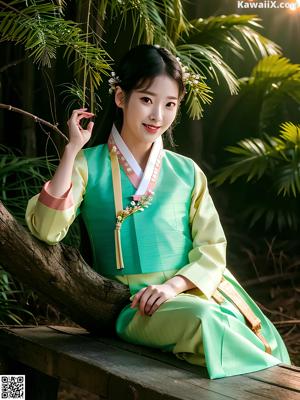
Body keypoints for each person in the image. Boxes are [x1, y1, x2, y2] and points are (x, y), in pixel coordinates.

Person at [25, 44, 290, 379]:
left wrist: (173, 287)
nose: (158, 116)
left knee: (257, 337)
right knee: (205, 323)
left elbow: (212, 248)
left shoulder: (186, 171)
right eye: (147, 100)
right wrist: (72, 149)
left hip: (194, 290)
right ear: (121, 98)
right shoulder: (87, 165)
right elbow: (47, 231)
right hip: (137, 306)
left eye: (170, 105)